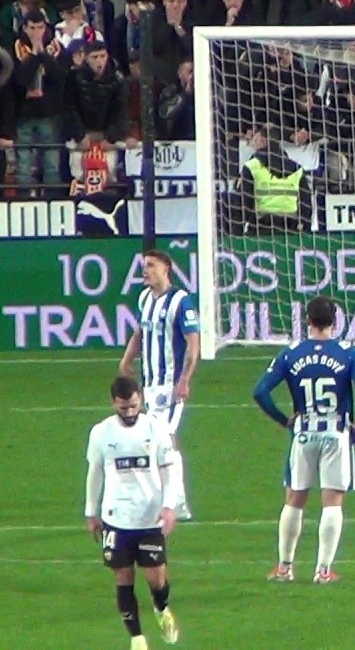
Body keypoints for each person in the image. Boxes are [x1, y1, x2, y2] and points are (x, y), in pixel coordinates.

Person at [254, 295, 355, 584]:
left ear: (307, 320)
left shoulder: (291, 353)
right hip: (335, 432)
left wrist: (284, 419)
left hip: (304, 432)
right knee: (332, 502)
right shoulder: (348, 354)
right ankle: (323, 571)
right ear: (335, 321)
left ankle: (285, 567)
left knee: (294, 499)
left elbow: (260, 392)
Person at [84, 376, 182, 650]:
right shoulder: (101, 432)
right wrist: (91, 511)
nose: (129, 412)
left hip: (150, 517)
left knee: (156, 579)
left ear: (140, 399)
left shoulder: (155, 427)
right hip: (116, 519)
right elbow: (95, 472)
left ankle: (161, 610)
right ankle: (137, 638)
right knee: (123, 578)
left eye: (133, 406)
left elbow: (168, 468)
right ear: (114, 403)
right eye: (123, 408)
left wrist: (169, 505)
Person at [119, 249, 200, 520]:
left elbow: (193, 343)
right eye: (144, 265)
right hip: (149, 385)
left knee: (162, 441)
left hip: (171, 386)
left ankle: (175, 503)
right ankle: (174, 502)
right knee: (160, 442)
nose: (145, 270)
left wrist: (184, 380)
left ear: (166, 268)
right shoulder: (144, 299)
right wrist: (126, 360)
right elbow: (140, 333)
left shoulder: (181, 301)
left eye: (151, 265)